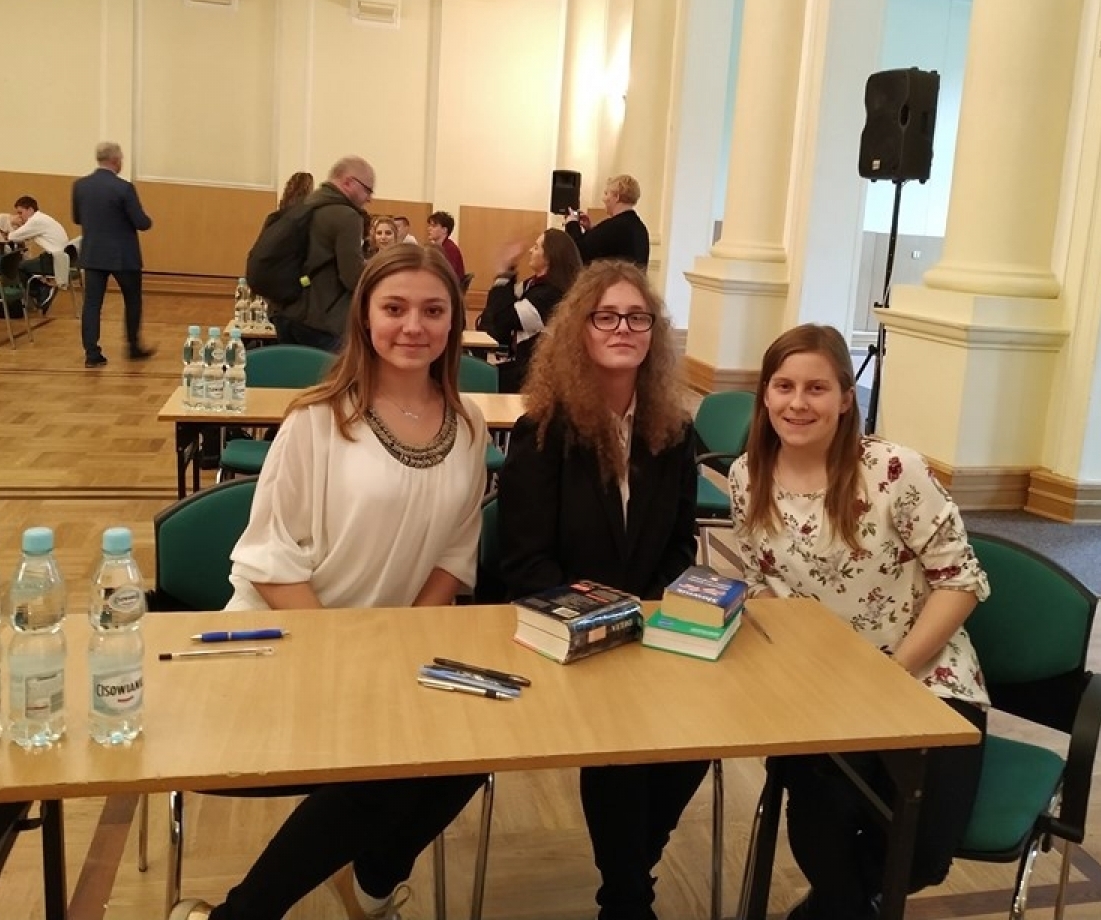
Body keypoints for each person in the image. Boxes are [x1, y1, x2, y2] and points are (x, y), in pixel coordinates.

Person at [169, 244, 489, 920]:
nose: (414, 326)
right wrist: (354, 651)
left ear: (453, 323)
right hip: (283, 638)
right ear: (365, 319)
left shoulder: (468, 425)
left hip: (392, 648)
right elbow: (269, 556)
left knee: (475, 742)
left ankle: (375, 874)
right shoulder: (316, 419)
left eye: (433, 311)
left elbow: (457, 551)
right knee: (382, 761)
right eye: (394, 308)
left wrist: (403, 642)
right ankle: (243, 914)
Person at [727, 324, 991, 920]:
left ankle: (838, 906)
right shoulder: (749, 476)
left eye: (817, 388)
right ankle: (844, 904)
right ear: (765, 394)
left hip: (922, 676)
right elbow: (764, 585)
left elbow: (962, 582)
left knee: (925, 854)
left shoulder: (894, 470)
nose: (798, 403)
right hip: (821, 684)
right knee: (822, 828)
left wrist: (891, 675)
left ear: (846, 397)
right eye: (784, 386)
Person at [495, 259, 705, 920]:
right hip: (565, 630)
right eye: (606, 316)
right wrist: (598, 620)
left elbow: (680, 543)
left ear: (654, 333)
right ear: (580, 331)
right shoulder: (543, 432)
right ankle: (626, 894)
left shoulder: (673, 432)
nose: (623, 328)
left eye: (637, 317)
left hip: (647, 628)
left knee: (701, 729)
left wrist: (651, 615)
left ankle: (630, 869)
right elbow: (525, 561)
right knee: (623, 736)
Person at [272, 156, 373, 352]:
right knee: (331, 380)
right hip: (322, 320)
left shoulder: (303, 206)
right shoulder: (347, 216)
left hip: (284, 313)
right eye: (367, 190)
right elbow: (352, 277)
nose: (369, 198)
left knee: (292, 379)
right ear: (348, 183)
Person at [72, 142, 154, 368]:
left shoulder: (80, 186)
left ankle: (92, 353)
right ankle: (132, 346)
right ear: (116, 160)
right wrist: (148, 218)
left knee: (92, 304)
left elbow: (77, 218)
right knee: (132, 299)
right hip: (123, 255)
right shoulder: (124, 188)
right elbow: (141, 222)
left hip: (93, 253)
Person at [477, 228, 582, 393]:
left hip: (533, 377)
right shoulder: (532, 285)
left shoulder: (551, 295)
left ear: (549, 257)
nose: (531, 251)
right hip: (520, 366)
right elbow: (493, 318)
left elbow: (504, 319)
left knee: (479, 378)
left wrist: (504, 273)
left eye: (536, 247)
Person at [564, 174, 648, 268]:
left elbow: (578, 253)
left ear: (616, 197)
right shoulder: (640, 228)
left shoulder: (613, 227)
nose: (603, 199)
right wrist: (590, 229)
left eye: (606, 193)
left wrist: (572, 223)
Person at [5, 196, 70, 312]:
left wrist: (12, 224)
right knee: (25, 265)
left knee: (18, 266)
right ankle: (40, 292)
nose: (19, 216)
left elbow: (13, 237)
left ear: (30, 210)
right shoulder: (42, 218)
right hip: (59, 257)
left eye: (21, 212)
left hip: (53, 259)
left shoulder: (35, 221)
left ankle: (42, 290)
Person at [425, 211, 465, 282]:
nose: (429, 229)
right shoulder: (438, 247)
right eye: (429, 225)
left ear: (444, 230)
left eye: (433, 226)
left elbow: (447, 275)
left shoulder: (450, 249)